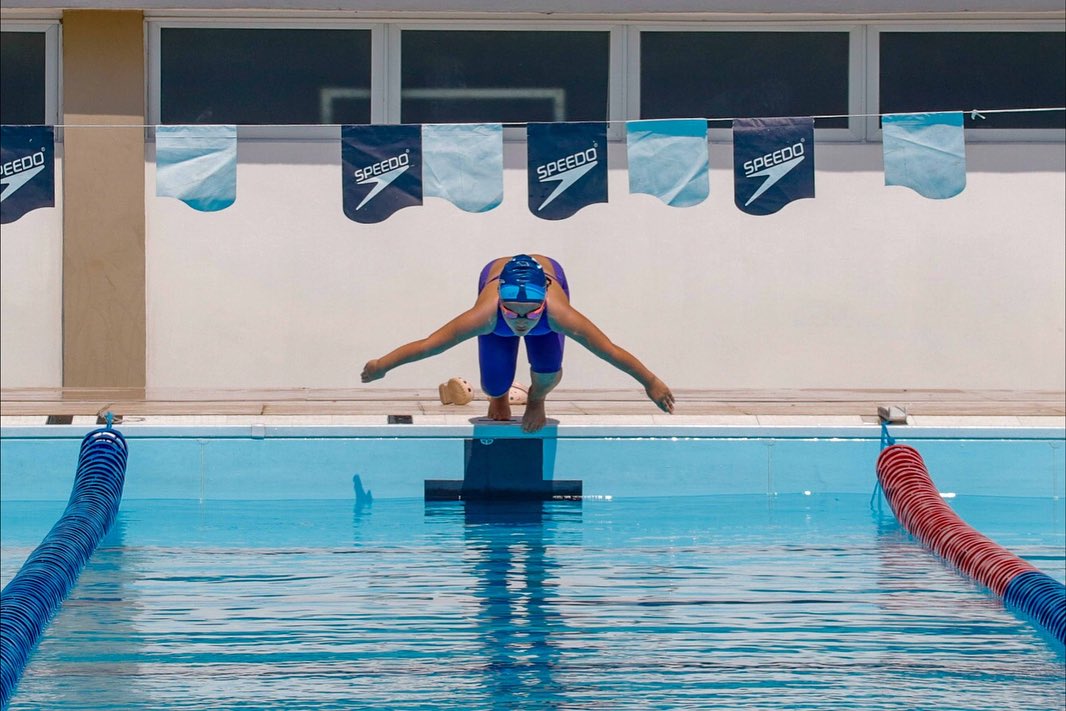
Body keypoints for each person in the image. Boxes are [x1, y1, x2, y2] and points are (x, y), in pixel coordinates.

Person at [361, 254, 675, 433]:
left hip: (547, 282)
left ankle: (536, 399)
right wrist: (382, 365)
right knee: (494, 382)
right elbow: (431, 345)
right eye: (512, 311)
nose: (521, 320)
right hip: (497, 278)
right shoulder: (485, 314)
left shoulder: (558, 313)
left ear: (544, 302)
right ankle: (499, 397)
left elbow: (608, 349)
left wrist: (651, 381)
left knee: (548, 368)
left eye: (531, 312)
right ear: (499, 300)